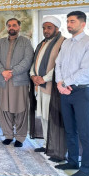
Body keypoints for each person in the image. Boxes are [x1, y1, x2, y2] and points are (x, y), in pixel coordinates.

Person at [54, 11, 89, 176]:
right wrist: (60, 83)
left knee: (84, 131)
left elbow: (86, 71)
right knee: (70, 130)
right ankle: (72, 161)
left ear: (83, 24)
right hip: (65, 91)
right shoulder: (66, 43)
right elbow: (57, 63)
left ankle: (86, 168)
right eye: (67, 21)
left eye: (72, 21)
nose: (68, 24)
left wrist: (65, 83)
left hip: (82, 91)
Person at [0, 18, 34, 147]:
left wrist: (12, 72)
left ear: (19, 27)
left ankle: (20, 138)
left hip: (19, 81)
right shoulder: (0, 43)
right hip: (4, 81)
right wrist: (3, 72)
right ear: (6, 27)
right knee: (5, 109)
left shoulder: (26, 42)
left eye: (14, 25)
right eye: (9, 25)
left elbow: (28, 60)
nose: (12, 28)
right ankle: (8, 135)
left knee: (20, 109)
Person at [29, 16, 66, 157]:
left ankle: (56, 147)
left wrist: (43, 79)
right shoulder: (42, 43)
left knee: (53, 118)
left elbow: (60, 67)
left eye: (49, 27)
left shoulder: (63, 43)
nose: (46, 30)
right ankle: (46, 144)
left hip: (52, 88)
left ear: (57, 28)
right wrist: (33, 76)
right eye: (44, 28)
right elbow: (34, 62)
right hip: (40, 87)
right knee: (44, 117)